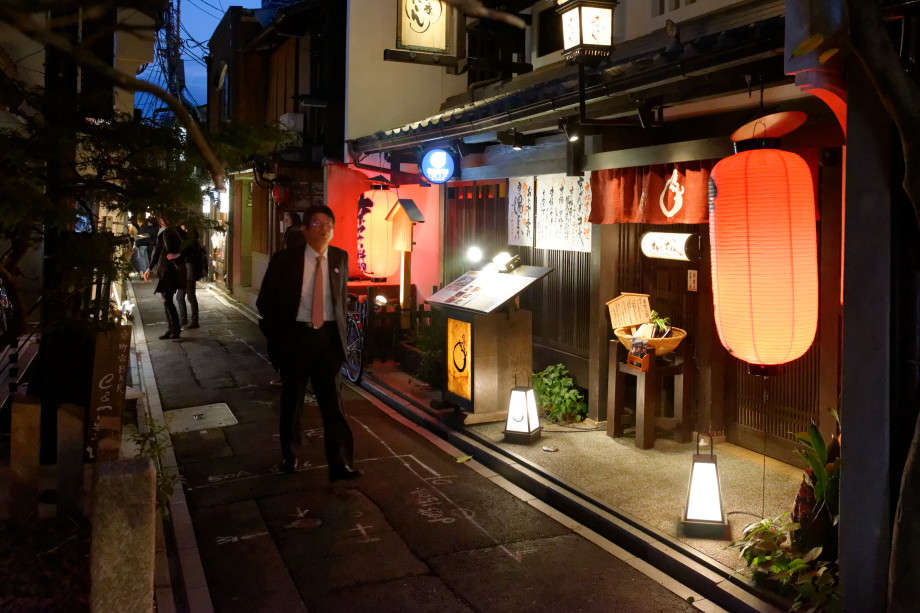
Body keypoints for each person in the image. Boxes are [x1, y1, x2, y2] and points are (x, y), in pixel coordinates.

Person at [256, 204, 359, 480]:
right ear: (304, 228)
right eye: (316, 224)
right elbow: (264, 301)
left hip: (327, 339)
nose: (323, 229)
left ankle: (341, 463)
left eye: (328, 224)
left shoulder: (340, 258)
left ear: (333, 230)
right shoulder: (285, 260)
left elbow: (340, 301)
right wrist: (279, 335)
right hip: (296, 337)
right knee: (293, 401)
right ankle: (290, 456)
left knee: (334, 406)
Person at [144, 218, 184, 339]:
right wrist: (149, 268)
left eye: (163, 219)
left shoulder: (174, 232)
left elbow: (183, 249)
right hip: (163, 271)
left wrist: (177, 255)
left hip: (171, 271)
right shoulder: (163, 233)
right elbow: (157, 251)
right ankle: (171, 329)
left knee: (167, 299)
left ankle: (175, 329)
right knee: (165, 300)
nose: (161, 221)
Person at [175, 225, 205, 329]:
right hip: (189, 273)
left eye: (185, 228)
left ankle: (191, 321)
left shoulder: (190, 243)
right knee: (183, 296)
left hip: (189, 273)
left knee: (189, 297)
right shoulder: (194, 243)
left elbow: (184, 255)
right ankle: (188, 321)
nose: (184, 230)